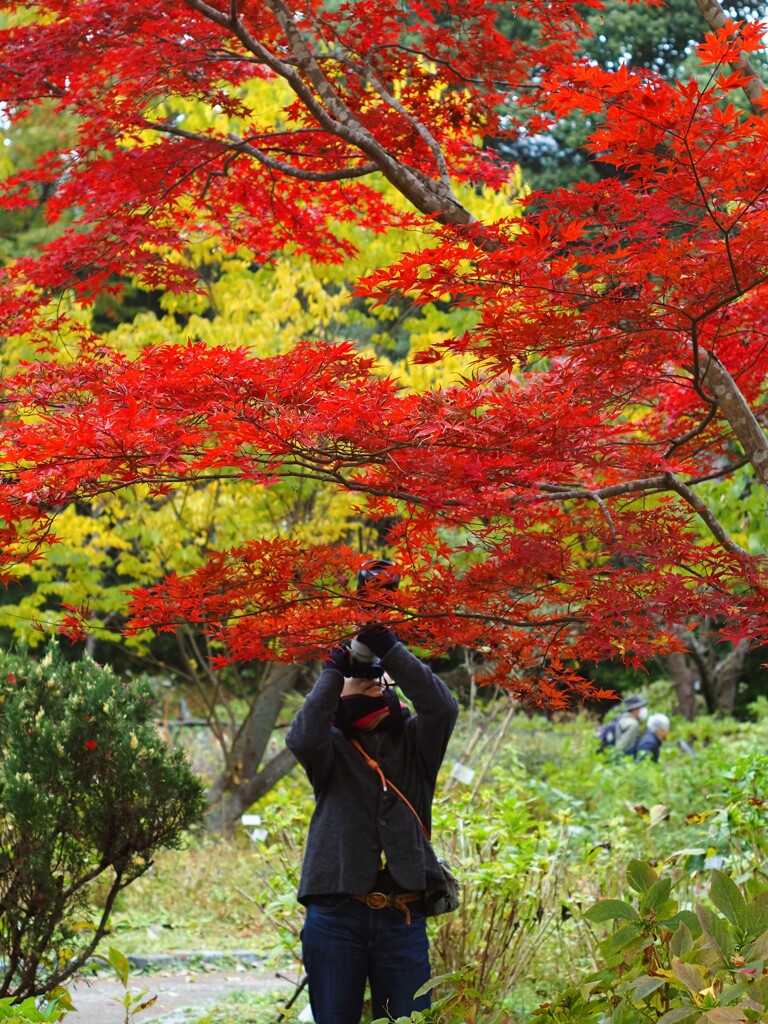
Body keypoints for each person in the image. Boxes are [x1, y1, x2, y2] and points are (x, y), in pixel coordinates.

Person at [285, 625, 459, 1024]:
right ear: (336, 695)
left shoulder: (415, 744)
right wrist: (334, 670)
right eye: (357, 678)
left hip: (403, 916)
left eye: (376, 677)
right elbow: (301, 738)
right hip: (334, 915)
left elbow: (442, 709)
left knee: (408, 1020)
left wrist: (390, 649)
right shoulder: (329, 747)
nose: (369, 681)